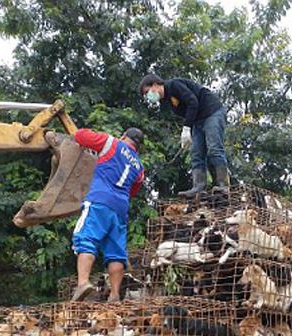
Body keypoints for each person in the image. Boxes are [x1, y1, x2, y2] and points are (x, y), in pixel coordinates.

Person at [70, 127, 145, 303]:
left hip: (99, 202)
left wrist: (92, 132)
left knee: (86, 239)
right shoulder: (139, 168)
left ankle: (82, 283)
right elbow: (133, 190)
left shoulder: (111, 143)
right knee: (116, 253)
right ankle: (114, 295)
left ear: (124, 136)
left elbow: (80, 136)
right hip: (120, 209)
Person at [139, 74, 228, 197]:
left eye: (147, 92)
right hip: (198, 120)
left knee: (214, 148)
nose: (148, 96)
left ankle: (224, 186)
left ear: (155, 84)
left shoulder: (174, 85)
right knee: (196, 153)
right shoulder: (167, 101)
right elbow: (186, 112)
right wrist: (188, 131)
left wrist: (186, 128)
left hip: (212, 112)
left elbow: (193, 102)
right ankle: (199, 187)